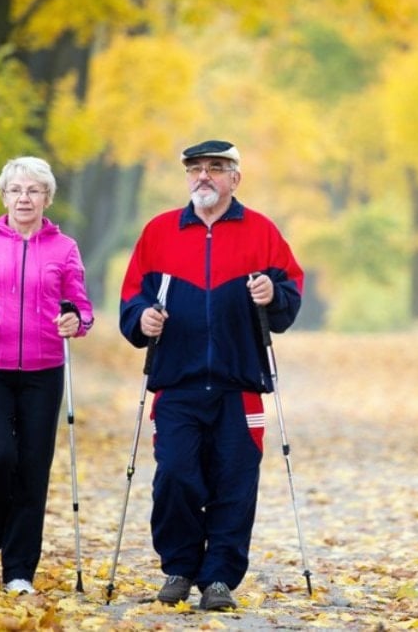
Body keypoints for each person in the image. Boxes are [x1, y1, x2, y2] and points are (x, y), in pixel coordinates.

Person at [119, 140, 304, 611]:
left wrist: (271, 293)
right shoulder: (159, 232)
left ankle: (219, 578)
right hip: (176, 383)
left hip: (238, 384)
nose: (204, 176)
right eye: (196, 169)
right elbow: (131, 298)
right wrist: (141, 319)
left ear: (234, 178)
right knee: (176, 476)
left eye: (216, 169)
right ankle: (179, 569)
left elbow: (290, 295)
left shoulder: (261, 231)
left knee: (235, 483)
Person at [0, 156, 94, 595]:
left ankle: (20, 570)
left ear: (47, 198)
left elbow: (81, 308)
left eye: (33, 190)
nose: (24, 198)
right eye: (16, 190)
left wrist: (76, 323)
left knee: (32, 468)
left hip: (45, 372)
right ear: (4, 196)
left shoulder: (64, 248)